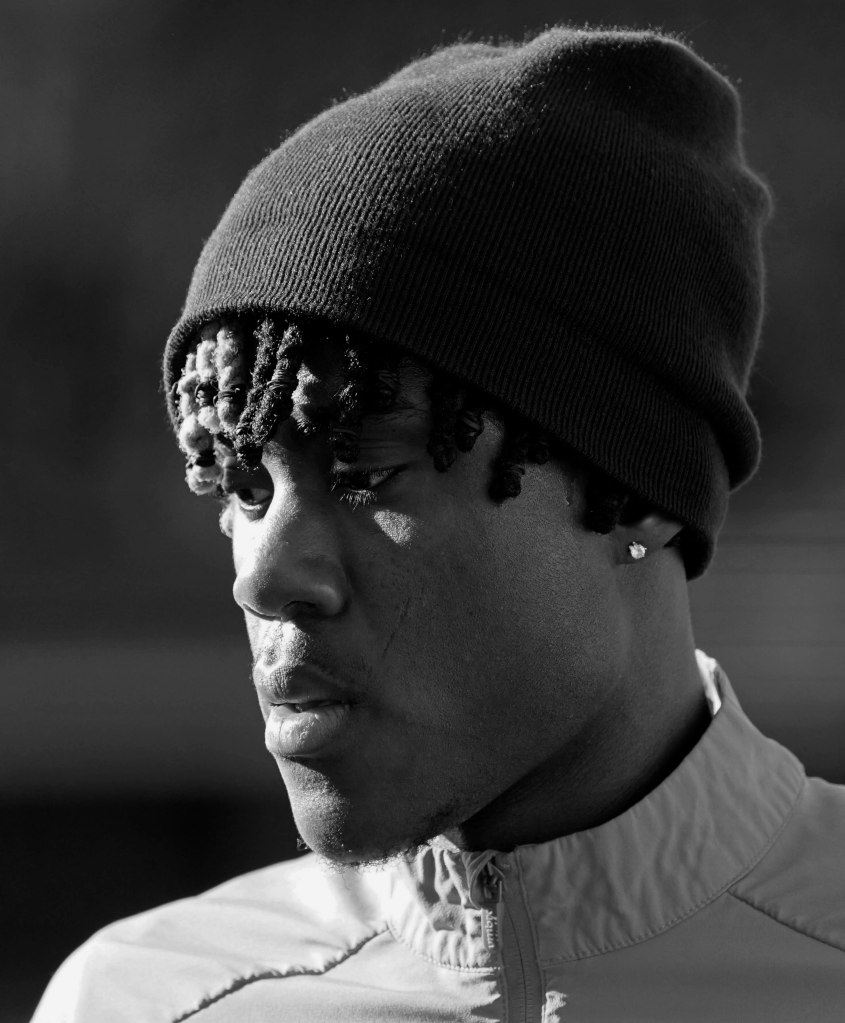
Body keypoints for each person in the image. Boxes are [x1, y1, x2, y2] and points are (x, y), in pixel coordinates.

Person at [33, 25, 845, 1022]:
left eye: (366, 471)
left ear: (634, 488)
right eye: (241, 488)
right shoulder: (144, 1001)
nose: (265, 576)